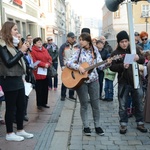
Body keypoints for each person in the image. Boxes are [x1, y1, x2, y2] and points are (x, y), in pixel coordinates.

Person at [65, 32, 112, 136]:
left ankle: (97, 126)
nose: (80, 41)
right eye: (79, 39)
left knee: (96, 105)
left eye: (82, 39)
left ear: (88, 40)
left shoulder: (95, 51)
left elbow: (100, 66)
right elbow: (68, 62)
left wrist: (107, 63)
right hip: (81, 82)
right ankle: (86, 126)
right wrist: (79, 67)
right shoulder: (79, 51)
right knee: (84, 104)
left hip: (94, 80)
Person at [0, 21, 34, 141]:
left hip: (18, 78)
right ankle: (9, 133)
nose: (17, 32)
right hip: (8, 79)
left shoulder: (13, 44)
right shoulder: (2, 45)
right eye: (15, 30)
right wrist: (21, 51)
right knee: (11, 107)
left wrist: (22, 50)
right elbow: (8, 63)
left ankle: (20, 130)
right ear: (8, 31)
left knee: (21, 105)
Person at [109, 30, 147, 134]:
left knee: (139, 102)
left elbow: (143, 59)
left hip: (136, 80)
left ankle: (140, 122)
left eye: (126, 41)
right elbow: (112, 67)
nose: (124, 43)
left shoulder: (134, 49)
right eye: (122, 42)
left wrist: (138, 57)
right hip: (123, 82)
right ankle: (123, 124)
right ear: (118, 42)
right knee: (122, 104)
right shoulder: (115, 53)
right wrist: (122, 66)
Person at [31, 37, 52, 110]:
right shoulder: (33, 51)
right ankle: (39, 104)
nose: (40, 43)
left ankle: (44, 103)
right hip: (38, 72)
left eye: (40, 42)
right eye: (38, 42)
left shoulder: (44, 49)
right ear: (35, 44)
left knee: (45, 88)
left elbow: (49, 58)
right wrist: (43, 64)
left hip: (45, 71)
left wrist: (48, 64)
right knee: (39, 89)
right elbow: (34, 60)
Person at [59, 32, 79, 101]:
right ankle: (63, 95)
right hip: (66, 65)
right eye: (72, 37)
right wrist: (62, 65)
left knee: (73, 80)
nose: (73, 39)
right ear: (68, 38)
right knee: (65, 80)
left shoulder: (78, 46)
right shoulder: (63, 46)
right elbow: (60, 56)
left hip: (74, 66)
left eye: (74, 37)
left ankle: (71, 95)